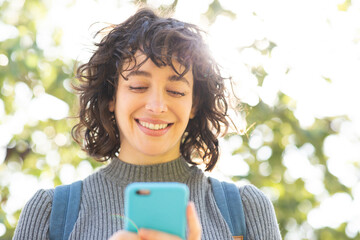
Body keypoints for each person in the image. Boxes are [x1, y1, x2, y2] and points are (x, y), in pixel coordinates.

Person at [13, 8, 281, 240]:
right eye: (139, 86)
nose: (156, 106)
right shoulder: (50, 212)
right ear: (111, 97)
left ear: (194, 104)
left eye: (176, 91)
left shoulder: (245, 209)